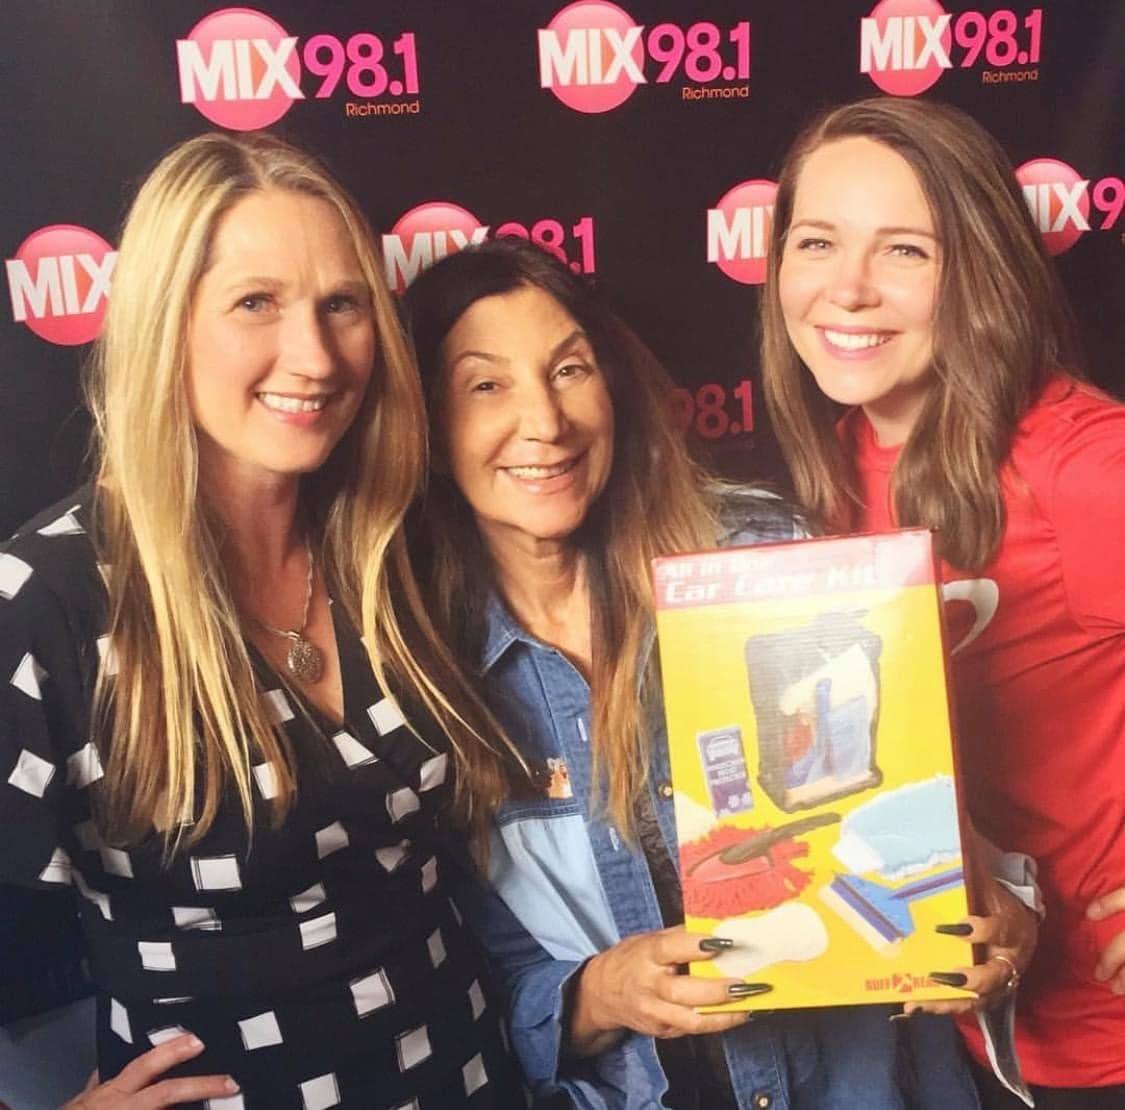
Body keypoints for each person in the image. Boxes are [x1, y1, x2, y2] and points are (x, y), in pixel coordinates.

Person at [402, 235, 992, 1109]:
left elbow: (907, 833)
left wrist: (976, 918)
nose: (545, 422)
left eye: (568, 371)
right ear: (425, 423)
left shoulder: (767, 561)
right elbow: (461, 978)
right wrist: (597, 995)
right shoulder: (418, 669)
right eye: (486, 384)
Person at [0, 132, 526, 1108]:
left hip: (468, 1076)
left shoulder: (387, 547)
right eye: (256, 304)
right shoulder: (52, 598)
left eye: (343, 304)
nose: (316, 355)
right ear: (167, 325)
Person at [759, 96, 1125, 1109]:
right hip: (961, 1028)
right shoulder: (841, 459)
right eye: (817, 241)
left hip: (1104, 1049)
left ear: (979, 270)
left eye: (907, 251)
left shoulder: (1080, 464)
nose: (849, 288)